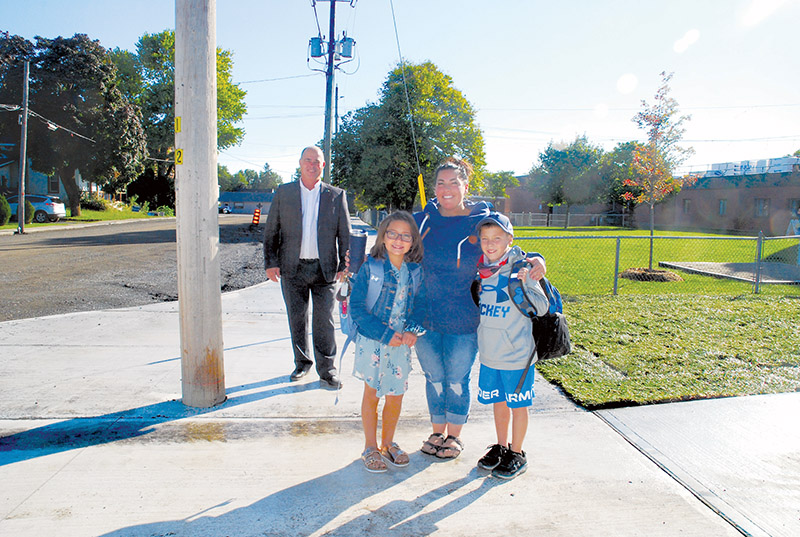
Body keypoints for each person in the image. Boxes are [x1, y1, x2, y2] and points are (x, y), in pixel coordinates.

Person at [413, 157, 546, 460]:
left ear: (465, 185)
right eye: (441, 182)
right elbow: (394, 243)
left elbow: (506, 246)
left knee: (457, 379)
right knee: (434, 378)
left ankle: (454, 436)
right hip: (425, 318)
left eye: (453, 182)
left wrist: (537, 258)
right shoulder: (422, 220)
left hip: (464, 319)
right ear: (434, 187)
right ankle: (436, 431)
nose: (446, 189)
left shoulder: (480, 219)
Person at [263, 146, 350, 388]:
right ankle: (302, 363)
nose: (312, 165)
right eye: (308, 160)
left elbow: (345, 234)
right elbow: (272, 230)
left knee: (325, 321)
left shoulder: (336, 195)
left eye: (317, 161)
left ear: (323, 165)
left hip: (326, 271)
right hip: (292, 268)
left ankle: (328, 369)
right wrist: (270, 263)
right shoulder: (284, 193)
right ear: (300, 163)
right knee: (297, 318)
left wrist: (345, 264)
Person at [474, 213, 548, 479]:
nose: (490, 244)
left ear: (509, 239)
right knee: (498, 402)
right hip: (490, 353)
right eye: (485, 239)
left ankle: (517, 453)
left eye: (497, 238)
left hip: (516, 354)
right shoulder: (481, 270)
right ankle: (502, 446)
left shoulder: (521, 269)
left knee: (518, 405)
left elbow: (541, 307)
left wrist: (528, 281)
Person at [350, 211, 426, 473]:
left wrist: (413, 331)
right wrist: (384, 334)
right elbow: (357, 308)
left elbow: (420, 307)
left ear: (413, 241)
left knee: (396, 395)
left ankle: (388, 443)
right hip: (372, 342)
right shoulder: (370, 268)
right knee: (372, 394)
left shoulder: (414, 272)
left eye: (406, 235)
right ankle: (370, 447)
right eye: (392, 233)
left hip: (400, 347)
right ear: (382, 236)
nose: (398, 240)